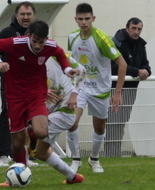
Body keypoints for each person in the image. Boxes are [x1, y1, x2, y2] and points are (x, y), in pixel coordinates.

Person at [0, 20, 77, 169]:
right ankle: (21, 169)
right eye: (35, 41)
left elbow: (60, 54)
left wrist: (67, 70)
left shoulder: (50, 46)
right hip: (14, 96)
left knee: (41, 132)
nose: (37, 46)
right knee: (17, 143)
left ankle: (29, 128)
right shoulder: (15, 43)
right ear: (29, 36)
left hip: (35, 94)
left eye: (41, 42)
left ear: (46, 40)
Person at [67, 3, 127, 173]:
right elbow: (73, 60)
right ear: (76, 20)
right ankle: (76, 159)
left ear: (93, 19)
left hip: (100, 90)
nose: (84, 22)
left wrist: (117, 93)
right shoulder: (72, 37)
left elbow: (122, 64)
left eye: (87, 19)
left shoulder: (102, 38)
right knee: (71, 121)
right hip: (80, 87)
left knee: (99, 127)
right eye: (81, 19)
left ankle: (94, 159)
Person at [0, 1, 38, 167]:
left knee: (28, 119)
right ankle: (3, 155)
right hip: (10, 85)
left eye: (29, 14)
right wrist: (1, 71)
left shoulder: (37, 33)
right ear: (16, 15)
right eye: (22, 14)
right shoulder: (6, 33)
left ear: (33, 16)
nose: (25, 17)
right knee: (7, 116)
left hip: (31, 84)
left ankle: (24, 156)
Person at [34, 54, 86, 184]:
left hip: (64, 112)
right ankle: (73, 177)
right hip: (49, 112)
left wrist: (74, 95)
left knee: (29, 132)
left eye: (41, 41)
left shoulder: (58, 55)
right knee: (40, 153)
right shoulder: (29, 58)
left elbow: (82, 71)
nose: (37, 45)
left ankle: (18, 172)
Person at [104, 17, 151, 157]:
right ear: (127, 28)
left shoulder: (141, 45)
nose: (136, 32)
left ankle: (113, 154)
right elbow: (113, 66)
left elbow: (146, 64)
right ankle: (110, 154)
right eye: (134, 28)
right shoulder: (117, 42)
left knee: (120, 123)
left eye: (139, 29)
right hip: (114, 89)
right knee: (113, 123)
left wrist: (146, 71)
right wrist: (136, 72)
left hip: (131, 90)